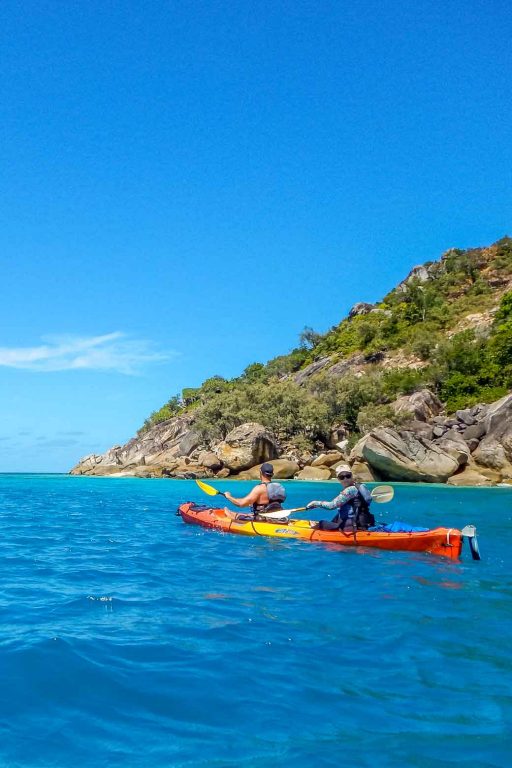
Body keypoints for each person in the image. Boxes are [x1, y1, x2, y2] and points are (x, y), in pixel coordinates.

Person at [306, 465, 374, 532]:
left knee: (322, 523)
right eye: (342, 477)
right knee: (337, 516)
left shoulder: (350, 490)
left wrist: (315, 503)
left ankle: (313, 528)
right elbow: (368, 501)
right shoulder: (362, 487)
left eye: (348, 476)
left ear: (352, 476)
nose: (345, 479)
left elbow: (331, 506)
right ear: (338, 479)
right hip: (364, 523)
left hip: (351, 526)